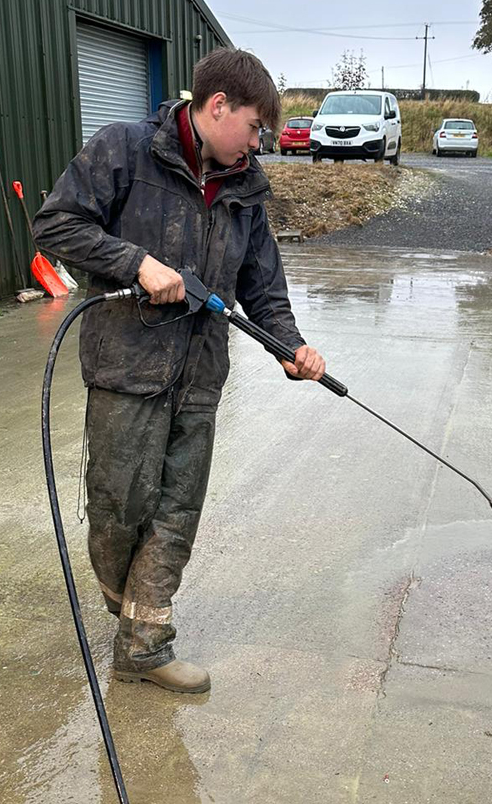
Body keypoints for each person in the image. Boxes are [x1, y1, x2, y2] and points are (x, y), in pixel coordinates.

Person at [33, 48, 325, 694]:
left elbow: (263, 286)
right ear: (217, 106)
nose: (258, 144)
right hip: (127, 369)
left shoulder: (244, 189)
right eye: (253, 128)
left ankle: (144, 644)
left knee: (177, 511)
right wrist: (135, 263)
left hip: (199, 375)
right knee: (120, 511)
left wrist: (291, 347)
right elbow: (54, 224)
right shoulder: (123, 152)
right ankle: (126, 608)